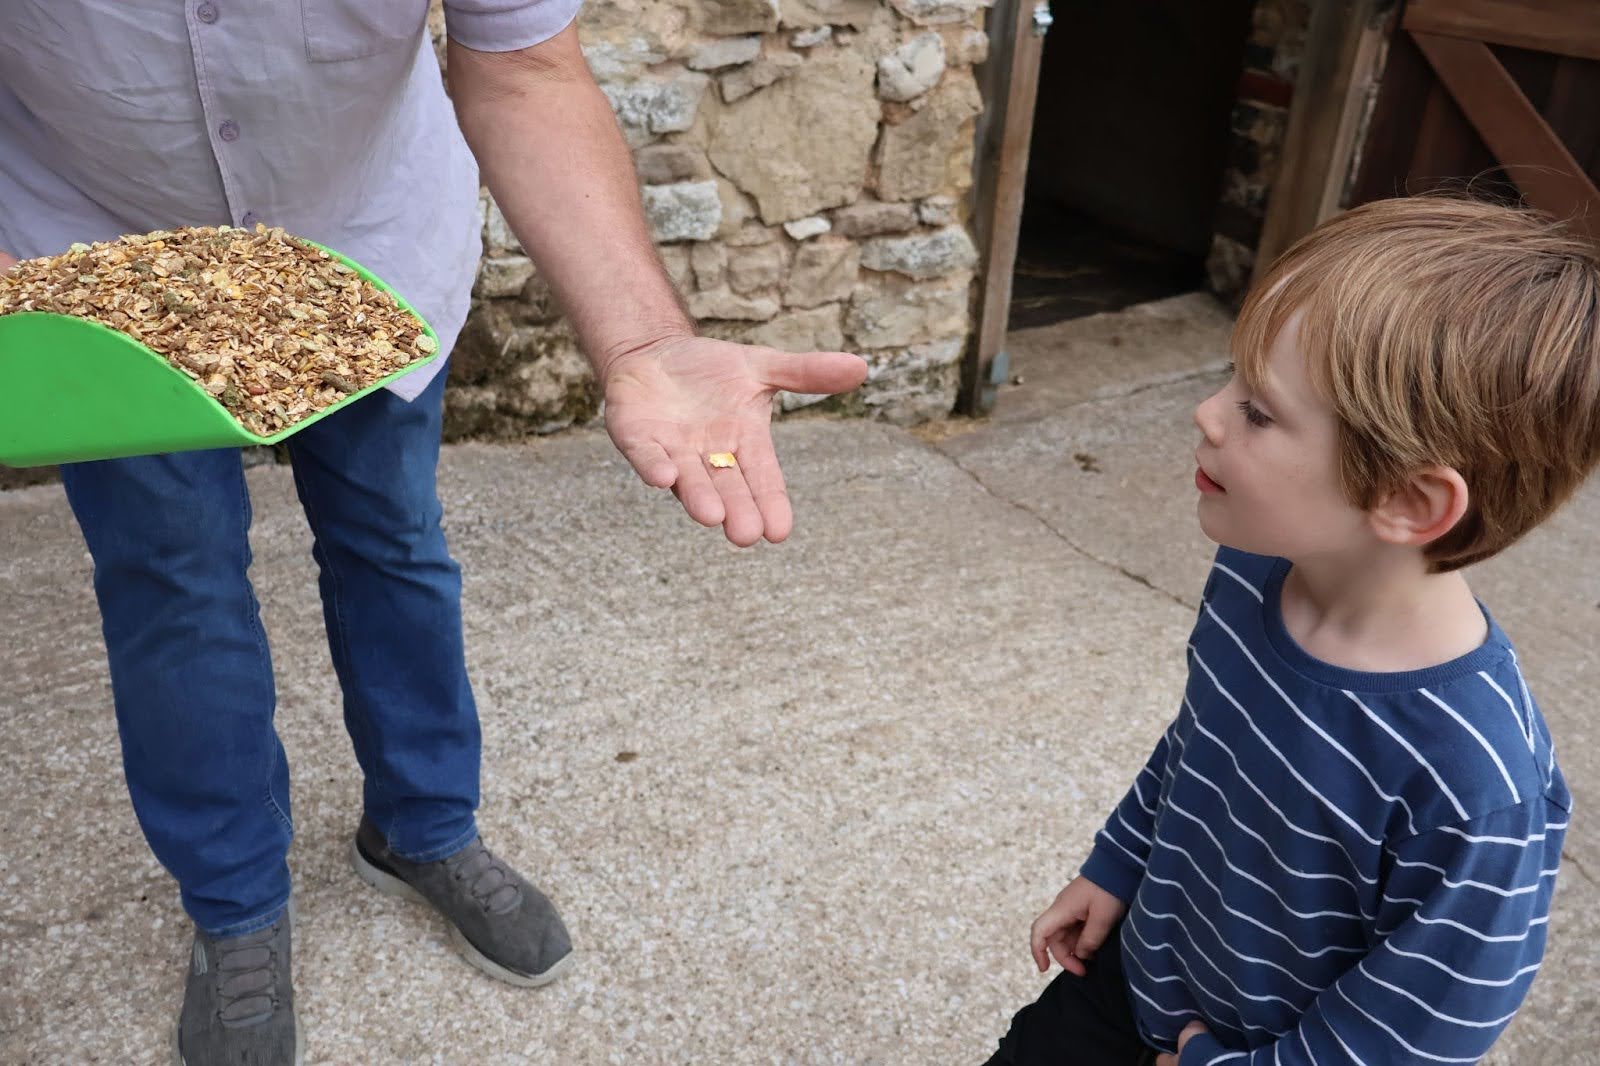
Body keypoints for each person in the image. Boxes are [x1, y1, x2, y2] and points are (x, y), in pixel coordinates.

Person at [0, 2, 867, 1063]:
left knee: (393, 542)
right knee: (170, 585)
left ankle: (422, 827)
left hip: (365, 244)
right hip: (95, 262)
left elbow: (527, 74)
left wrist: (645, 337)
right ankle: (233, 902)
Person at [982, 196, 1595, 1065]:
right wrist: (1117, 866)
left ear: (1409, 501)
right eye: (1231, 379)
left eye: (1259, 413)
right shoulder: (1255, 572)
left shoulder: (1477, 782)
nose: (1207, 412)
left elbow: (1424, 1029)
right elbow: (1201, 747)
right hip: (1138, 981)